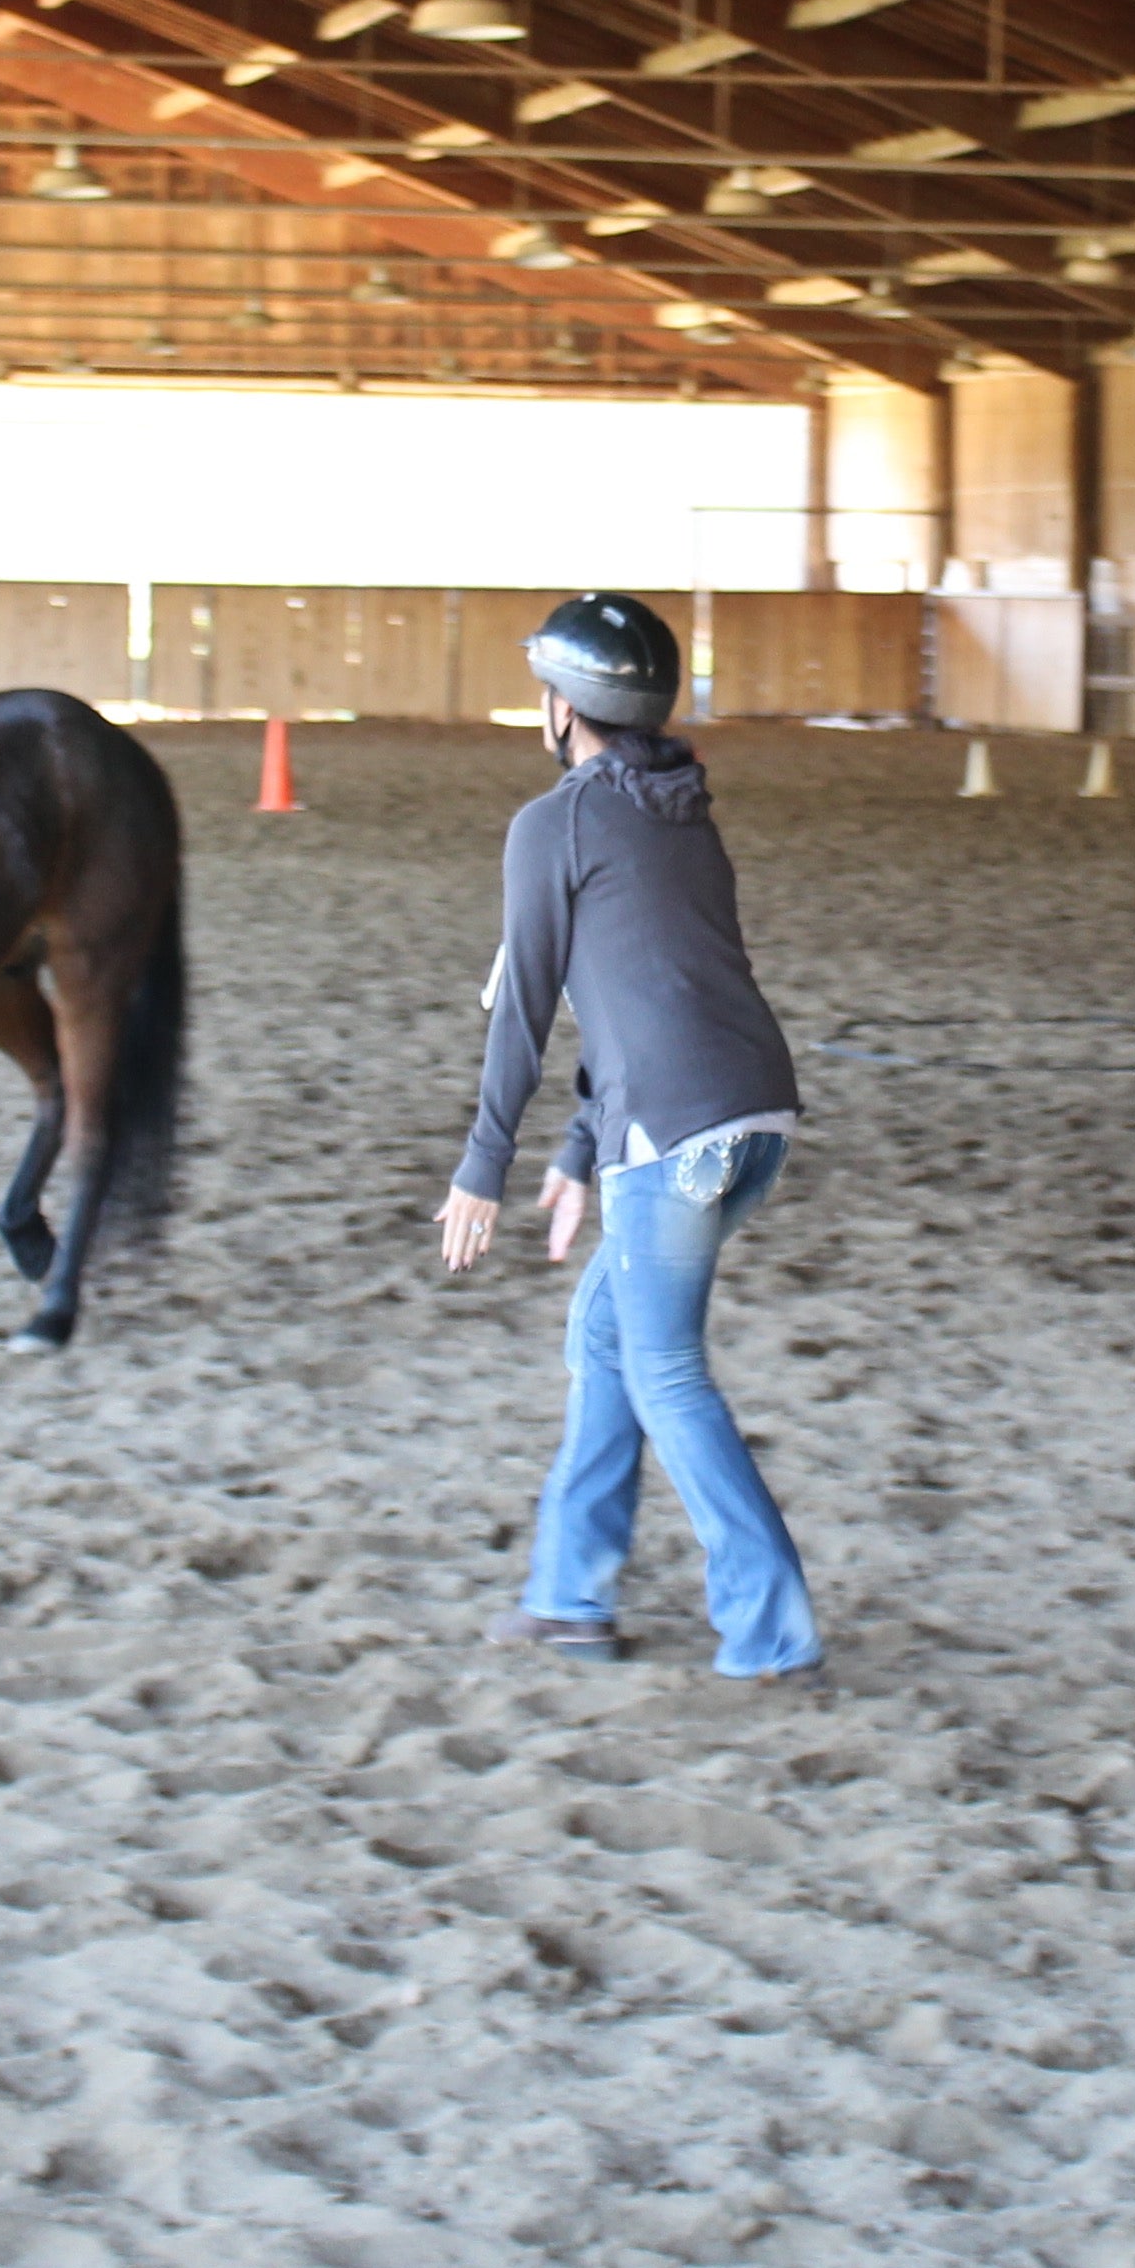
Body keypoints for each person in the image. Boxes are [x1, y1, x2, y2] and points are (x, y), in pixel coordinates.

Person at [434, 592, 823, 1685]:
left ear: (562, 706)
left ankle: (774, 1629)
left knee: (663, 1370)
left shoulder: (553, 824)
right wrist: (571, 1154)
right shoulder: (679, 812)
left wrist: (483, 1170)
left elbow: (526, 1009)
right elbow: (642, 991)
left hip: (677, 1136)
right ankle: (568, 1598)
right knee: (607, 1343)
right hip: (752, 1115)